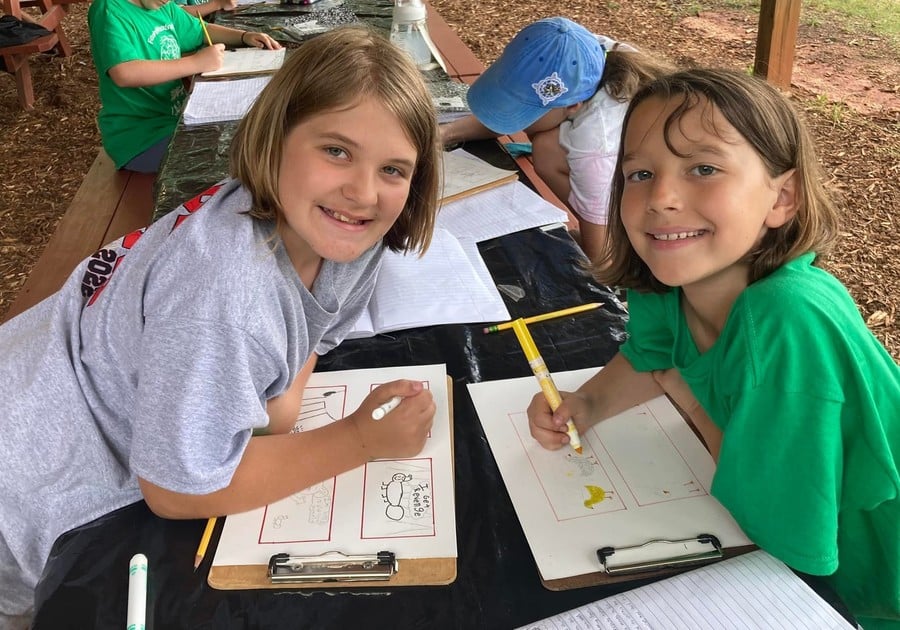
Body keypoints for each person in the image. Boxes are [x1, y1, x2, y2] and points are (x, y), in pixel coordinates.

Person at [0, 25, 441, 628]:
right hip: (25, 486)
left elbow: (292, 373)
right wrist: (362, 442)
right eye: (336, 150)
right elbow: (178, 489)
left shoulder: (344, 236)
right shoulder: (225, 296)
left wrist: (271, 404)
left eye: (394, 168)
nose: (363, 192)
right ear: (274, 138)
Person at [527, 68, 900, 629]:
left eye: (703, 168)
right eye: (640, 173)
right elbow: (651, 356)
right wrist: (587, 404)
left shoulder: (786, 319)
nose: (662, 198)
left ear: (783, 196)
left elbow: (781, 532)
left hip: (866, 584)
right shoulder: (668, 282)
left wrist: (689, 399)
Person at [440, 16, 672, 262]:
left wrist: (596, 249)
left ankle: (627, 245)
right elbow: (501, 121)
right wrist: (444, 133)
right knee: (548, 142)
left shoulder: (595, 143)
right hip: (634, 171)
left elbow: (604, 261)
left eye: (525, 111)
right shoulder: (585, 55)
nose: (517, 120)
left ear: (572, 106)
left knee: (547, 149)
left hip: (661, 209)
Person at [87, 0, 282, 173]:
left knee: (253, 135)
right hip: (139, 138)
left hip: (178, 119)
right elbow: (124, 73)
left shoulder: (164, 7)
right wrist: (197, 63)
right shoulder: (108, 10)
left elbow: (200, 30)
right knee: (243, 156)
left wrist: (244, 36)